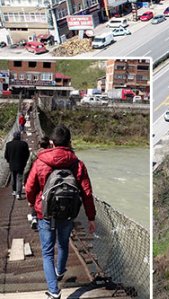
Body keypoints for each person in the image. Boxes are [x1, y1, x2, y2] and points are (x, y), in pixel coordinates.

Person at [26, 125, 96, 299]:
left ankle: (54, 291)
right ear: (69, 142)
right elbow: (87, 193)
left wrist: (32, 202)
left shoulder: (40, 161)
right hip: (68, 213)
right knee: (63, 244)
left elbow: (29, 188)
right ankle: (60, 271)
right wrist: (91, 218)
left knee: (48, 251)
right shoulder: (77, 164)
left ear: (51, 142)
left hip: (45, 213)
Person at [24, 135, 50, 230]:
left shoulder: (34, 154)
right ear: (49, 145)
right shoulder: (51, 154)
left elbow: (27, 169)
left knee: (35, 197)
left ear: (39, 144)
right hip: (48, 179)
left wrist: (25, 181)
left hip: (35, 177)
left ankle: (35, 217)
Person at [4, 131, 29, 199]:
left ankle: (14, 191)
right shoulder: (24, 144)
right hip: (21, 164)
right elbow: (27, 154)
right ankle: (18, 194)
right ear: (19, 136)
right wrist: (24, 161)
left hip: (12, 164)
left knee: (13, 178)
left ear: (13, 136)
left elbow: (6, 155)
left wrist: (9, 161)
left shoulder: (8, 144)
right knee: (19, 179)